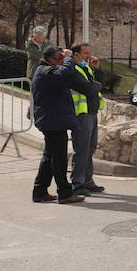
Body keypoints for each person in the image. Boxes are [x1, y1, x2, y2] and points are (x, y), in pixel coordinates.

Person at [31, 45, 87, 203]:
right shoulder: (45, 71)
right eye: (59, 59)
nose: (62, 61)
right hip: (53, 121)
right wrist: (69, 58)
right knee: (59, 158)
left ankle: (39, 191)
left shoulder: (47, 70)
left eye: (62, 59)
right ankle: (64, 193)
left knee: (49, 157)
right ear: (49, 60)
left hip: (53, 120)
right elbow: (64, 72)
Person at [65, 43, 105, 195]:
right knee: (81, 149)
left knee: (90, 148)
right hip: (81, 114)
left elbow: (100, 85)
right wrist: (95, 86)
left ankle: (88, 181)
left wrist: (97, 70)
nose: (89, 56)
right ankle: (77, 183)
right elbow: (88, 88)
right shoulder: (72, 69)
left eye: (89, 52)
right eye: (85, 53)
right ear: (75, 55)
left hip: (91, 112)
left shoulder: (86, 68)